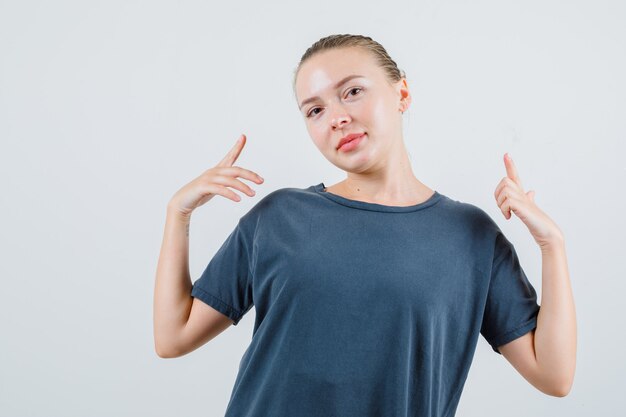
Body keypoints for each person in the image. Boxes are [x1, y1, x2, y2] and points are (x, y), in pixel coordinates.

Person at [153, 34, 576, 416]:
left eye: (352, 91)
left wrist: (552, 246)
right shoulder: (278, 217)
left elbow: (553, 376)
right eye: (315, 110)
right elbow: (173, 337)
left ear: (401, 93)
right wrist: (179, 213)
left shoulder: (472, 236)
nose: (336, 117)